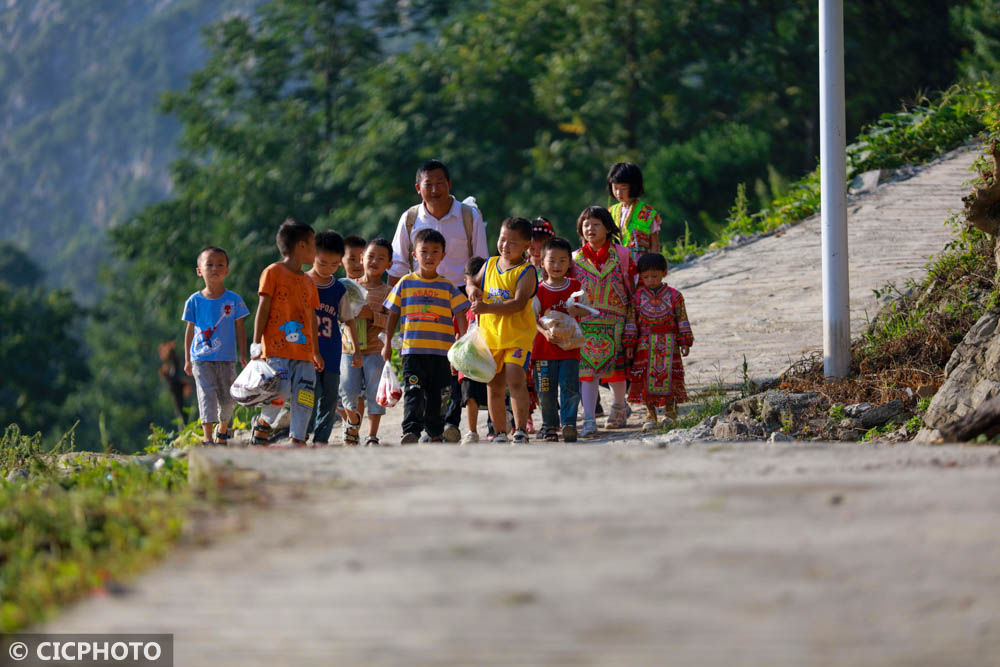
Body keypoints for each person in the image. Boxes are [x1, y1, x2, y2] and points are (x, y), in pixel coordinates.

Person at [388, 160, 488, 442]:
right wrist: (390, 313)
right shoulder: (409, 219)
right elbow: (397, 267)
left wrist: (473, 290)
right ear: (418, 188)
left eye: (440, 183)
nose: (434, 190)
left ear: (450, 185)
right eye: (428, 184)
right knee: (422, 368)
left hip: (460, 295)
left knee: (458, 362)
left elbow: (481, 260)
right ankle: (423, 426)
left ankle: (451, 423)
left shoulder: (469, 216)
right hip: (419, 298)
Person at [382, 228, 470, 444]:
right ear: (415, 255)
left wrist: (462, 341)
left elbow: (461, 312)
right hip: (412, 352)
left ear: (443, 255)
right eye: (424, 252)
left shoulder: (447, 286)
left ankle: (435, 431)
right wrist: (387, 342)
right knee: (413, 390)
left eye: (435, 252)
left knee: (438, 394)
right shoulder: (405, 283)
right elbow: (393, 312)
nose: (429, 257)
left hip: (442, 353)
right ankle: (410, 431)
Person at [250, 219, 324, 448]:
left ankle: (298, 438)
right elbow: (263, 308)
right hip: (276, 350)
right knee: (278, 392)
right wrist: (256, 343)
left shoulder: (308, 282)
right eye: (313, 245)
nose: (315, 251)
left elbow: (312, 317)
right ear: (301, 246)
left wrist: (316, 351)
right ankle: (263, 423)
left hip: (303, 352)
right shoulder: (273, 272)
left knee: (305, 394)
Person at [468, 217, 538, 444]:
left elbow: (518, 303)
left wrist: (486, 306)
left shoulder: (526, 271)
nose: (505, 246)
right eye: (502, 239)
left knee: (515, 379)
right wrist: (472, 290)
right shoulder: (489, 264)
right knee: (494, 385)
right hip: (491, 338)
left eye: (513, 242)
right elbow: (472, 281)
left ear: (527, 246)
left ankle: (520, 430)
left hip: (517, 336)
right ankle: (498, 432)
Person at [571, 206, 637, 438]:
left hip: (616, 321)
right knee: (587, 372)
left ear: (608, 228)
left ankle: (619, 406)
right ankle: (589, 417)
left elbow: (633, 287)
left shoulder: (622, 255)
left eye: (596, 224)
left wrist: (632, 322)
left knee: (616, 371)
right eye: (586, 224)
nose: (590, 228)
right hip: (586, 322)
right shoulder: (575, 258)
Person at [182, 246, 249, 445]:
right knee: (206, 396)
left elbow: (240, 328)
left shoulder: (234, 300)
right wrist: (187, 359)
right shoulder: (194, 301)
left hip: (227, 358)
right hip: (201, 359)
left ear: (227, 270)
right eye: (209, 264)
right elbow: (189, 331)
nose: (214, 268)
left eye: (220, 265)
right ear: (199, 270)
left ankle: (223, 430)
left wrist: (243, 353)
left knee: (228, 398)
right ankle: (208, 438)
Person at [627, 253, 693, 431]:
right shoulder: (636, 298)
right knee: (645, 378)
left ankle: (670, 410)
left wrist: (685, 341)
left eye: (654, 276)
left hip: (669, 343)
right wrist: (629, 344)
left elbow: (682, 319)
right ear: (640, 276)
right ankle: (650, 413)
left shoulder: (675, 296)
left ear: (664, 273)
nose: (650, 280)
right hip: (644, 344)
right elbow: (631, 321)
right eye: (645, 276)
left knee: (670, 376)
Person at [306, 230, 360, 446]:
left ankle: (321, 440)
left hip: (331, 352)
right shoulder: (302, 282)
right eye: (322, 263)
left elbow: (349, 320)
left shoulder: (338, 289)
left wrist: (356, 349)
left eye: (334, 264)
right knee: (308, 396)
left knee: (329, 400)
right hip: (305, 353)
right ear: (312, 256)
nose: (328, 269)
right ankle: (299, 434)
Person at [341, 238, 393, 446]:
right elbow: (338, 314)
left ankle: (372, 435)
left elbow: (391, 321)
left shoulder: (388, 292)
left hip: (374, 350)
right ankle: (352, 426)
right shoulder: (349, 287)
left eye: (381, 258)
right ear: (362, 259)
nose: (374, 261)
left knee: (374, 394)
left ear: (389, 265)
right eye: (370, 256)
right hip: (348, 348)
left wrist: (371, 315)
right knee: (347, 390)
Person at [532, 237, 584, 442]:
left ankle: (569, 424)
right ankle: (549, 426)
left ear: (569, 263)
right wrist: (545, 333)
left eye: (562, 261)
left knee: (570, 388)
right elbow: (531, 318)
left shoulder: (575, 285)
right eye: (552, 260)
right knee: (546, 391)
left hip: (570, 350)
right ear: (542, 262)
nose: (557, 265)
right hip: (544, 350)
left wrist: (577, 309)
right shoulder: (538, 289)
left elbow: (586, 310)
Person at [607, 162, 664, 264]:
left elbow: (654, 244)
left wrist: (654, 266)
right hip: (617, 267)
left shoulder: (647, 212)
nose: (619, 193)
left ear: (634, 186)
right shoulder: (611, 212)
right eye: (615, 188)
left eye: (623, 188)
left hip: (640, 265)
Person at [458, 257, 489, 444]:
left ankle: (497, 426)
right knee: (469, 394)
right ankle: (472, 431)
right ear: (466, 282)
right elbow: (459, 334)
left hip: (489, 356)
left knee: (495, 392)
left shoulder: (492, 303)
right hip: (469, 359)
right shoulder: (464, 307)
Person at [337, 234, 367, 425]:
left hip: (367, 347)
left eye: (361, 259)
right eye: (351, 259)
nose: (357, 264)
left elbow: (385, 316)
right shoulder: (337, 287)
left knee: (360, 394)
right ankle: (350, 424)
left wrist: (370, 314)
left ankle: (355, 431)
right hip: (342, 347)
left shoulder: (371, 287)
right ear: (341, 261)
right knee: (340, 396)